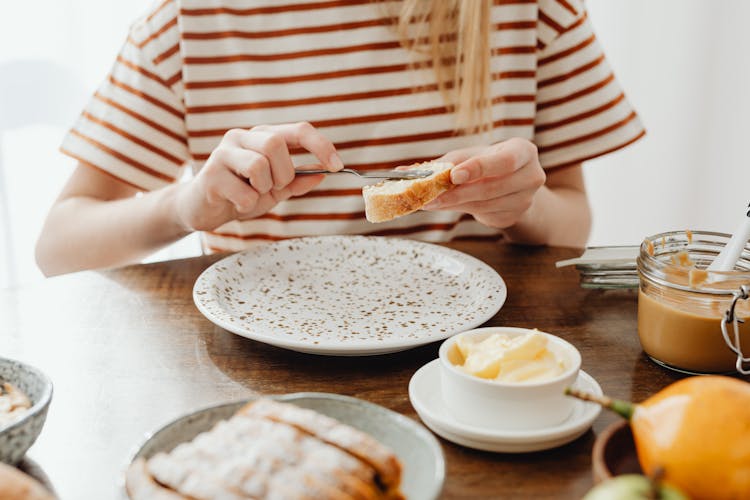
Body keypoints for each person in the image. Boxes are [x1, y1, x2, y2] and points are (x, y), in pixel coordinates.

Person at [35, 0, 644, 276]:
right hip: (256, 362)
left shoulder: (531, 11)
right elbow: (58, 246)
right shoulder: (185, 24)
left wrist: (522, 206)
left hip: (463, 362)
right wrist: (184, 206)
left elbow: (574, 226)